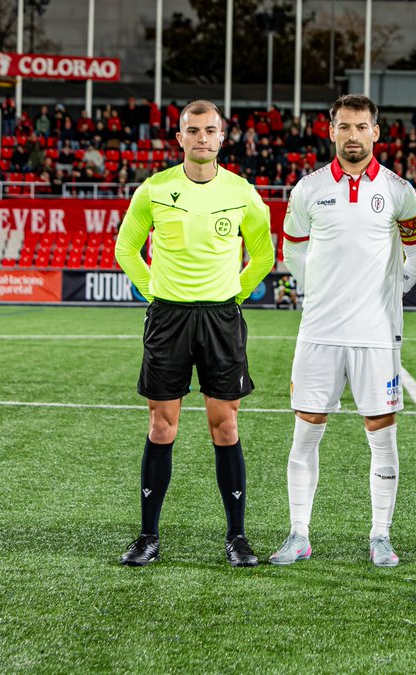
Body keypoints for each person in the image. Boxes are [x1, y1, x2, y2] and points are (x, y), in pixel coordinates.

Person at [269, 94, 416, 568]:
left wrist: (391, 289)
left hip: (376, 336)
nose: (353, 135)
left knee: (381, 434)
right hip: (318, 332)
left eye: (362, 127)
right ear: (332, 131)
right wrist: (318, 289)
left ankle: (381, 535)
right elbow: (293, 252)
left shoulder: (400, 190)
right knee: (306, 432)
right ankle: (298, 533)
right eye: (345, 127)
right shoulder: (308, 189)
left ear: (376, 133)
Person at [113, 100, 275, 567]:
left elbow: (263, 256)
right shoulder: (154, 190)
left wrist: (234, 295)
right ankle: (147, 536)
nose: (202, 137)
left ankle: (237, 537)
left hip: (221, 320)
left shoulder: (243, 193)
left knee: (225, 426)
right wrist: (155, 292)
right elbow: (126, 249)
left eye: (210, 130)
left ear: (223, 137)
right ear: (179, 138)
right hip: (168, 319)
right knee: (162, 425)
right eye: (193, 130)